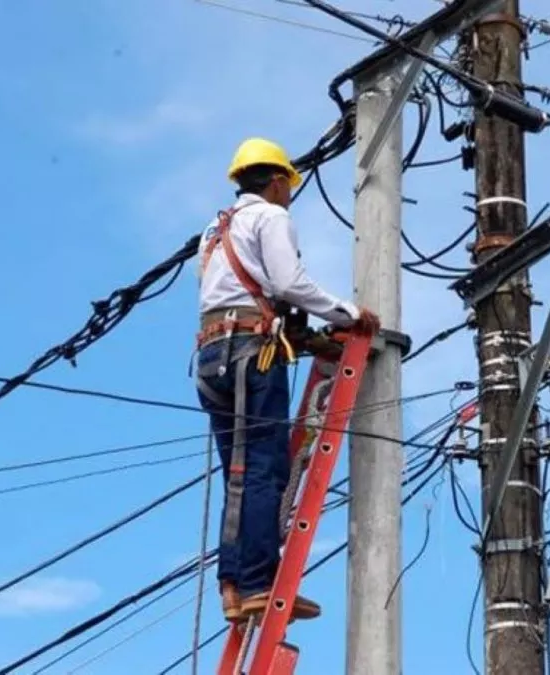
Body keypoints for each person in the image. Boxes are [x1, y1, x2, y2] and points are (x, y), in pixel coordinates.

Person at [194, 137, 380, 623]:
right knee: (264, 469)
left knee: (238, 473)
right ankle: (259, 583)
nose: (289, 195)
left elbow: (245, 294)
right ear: (277, 182)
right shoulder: (271, 216)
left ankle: (233, 586)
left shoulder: (215, 228)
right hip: (248, 354)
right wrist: (350, 314)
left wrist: (306, 337)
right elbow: (288, 283)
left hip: (211, 356)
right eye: (288, 187)